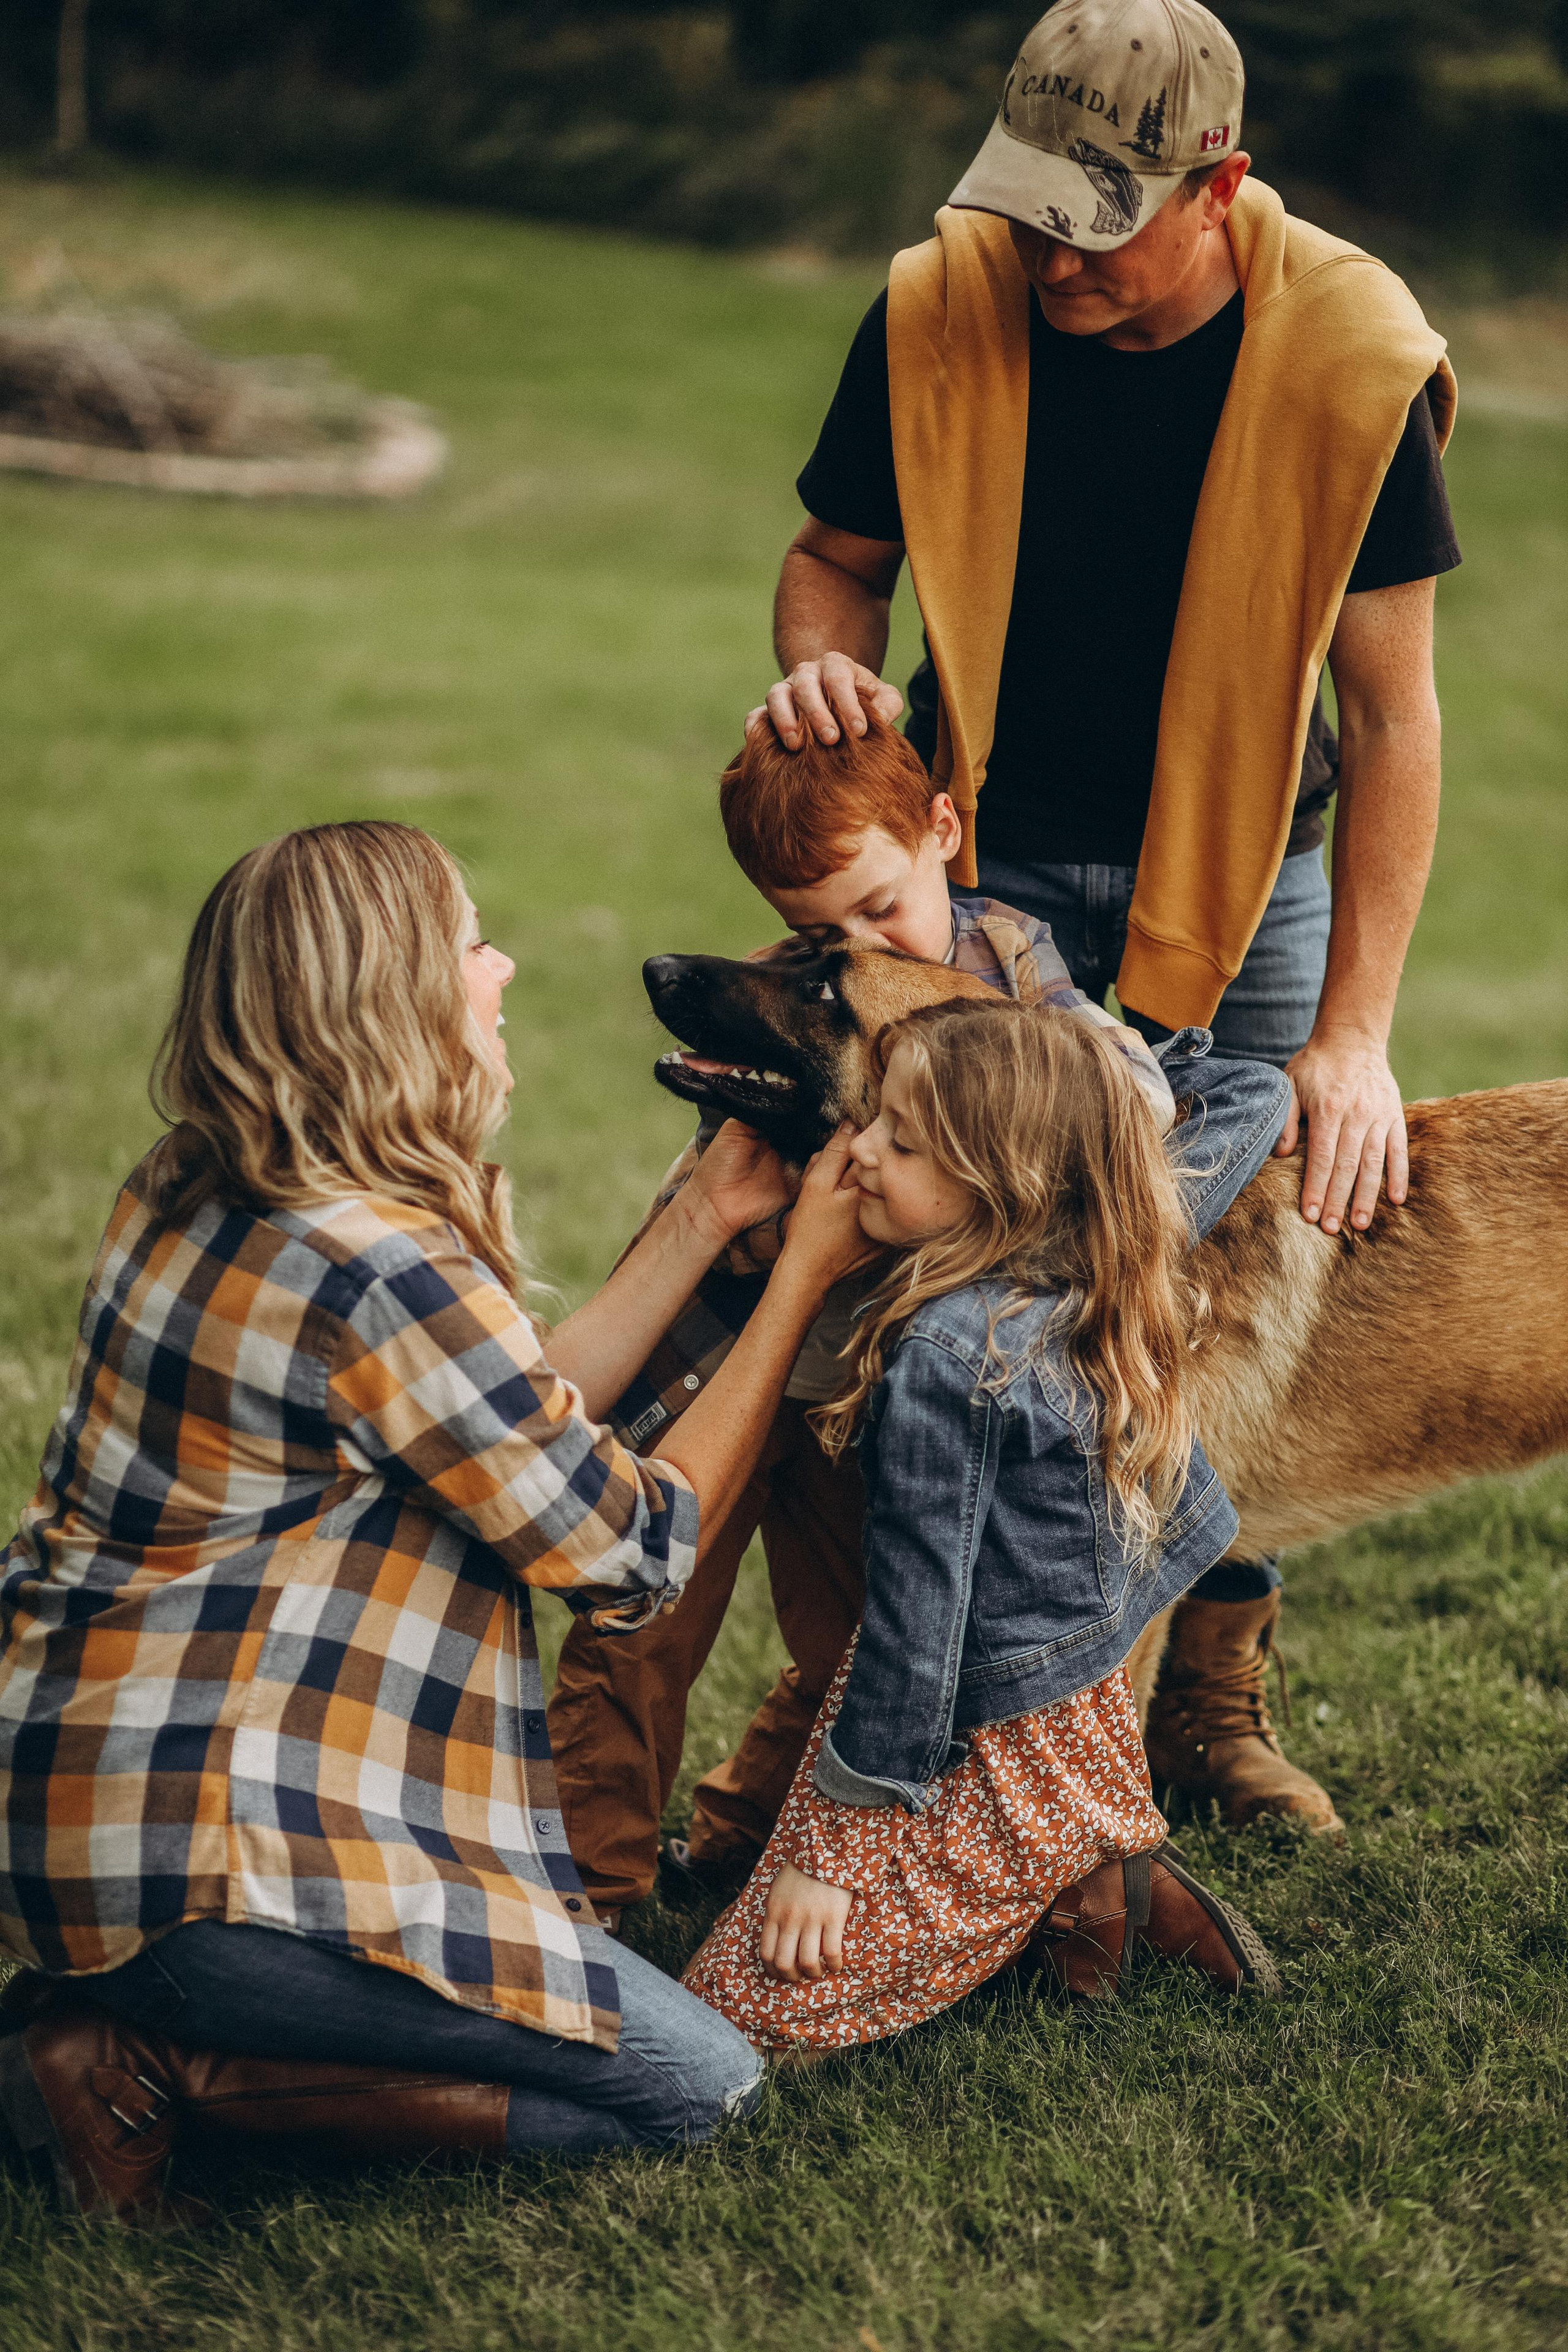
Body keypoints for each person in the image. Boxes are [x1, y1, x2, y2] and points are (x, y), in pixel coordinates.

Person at [749, 0, 1461, 1831]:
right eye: (1029, 205)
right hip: (977, 865)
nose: (1049, 252)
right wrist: (830, 687)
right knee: (942, 1287)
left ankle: (1203, 1715)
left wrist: (1354, 1036)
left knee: (1192, 1298)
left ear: (1217, 188)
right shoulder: (940, 307)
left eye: (1100, 216)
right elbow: (837, 566)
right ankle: (863, 1702)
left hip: (1249, 894)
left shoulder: (1353, 359)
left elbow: (1390, 722)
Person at [0, 820, 870, 2228]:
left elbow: (509, 1414)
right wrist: (797, 1284)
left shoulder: (192, 1181)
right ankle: (146, 2063)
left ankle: (95, 2024)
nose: (504, 964)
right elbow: (631, 1554)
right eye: (471, 942)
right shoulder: (379, 1266)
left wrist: (706, 1214)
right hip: (224, 1866)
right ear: (391, 1001)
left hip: (77, 1813)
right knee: (700, 2089)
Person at [546, 716, 1175, 1921]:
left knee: (854, 1636)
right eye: (815, 933)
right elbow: (727, 1173)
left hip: (867, 1386)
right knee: (641, 1624)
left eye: (880, 910)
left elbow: (1118, 1116)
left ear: (943, 832)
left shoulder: (1023, 996)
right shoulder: (807, 990)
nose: (852, 949)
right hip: (731, 1359)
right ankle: (585, 1899)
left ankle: (741, 1830)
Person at [684, 999, 1285, 2049]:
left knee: (741, 2012)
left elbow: (920, 1631)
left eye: (902, 1141)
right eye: (872, 1118)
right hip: (1089, 1672)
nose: (857, 1149)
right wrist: (1093, 1071)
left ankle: (1075, 1856)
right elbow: (1255, 1090)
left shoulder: (948, 1361)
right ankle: (1100, 1866)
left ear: (1002, 1186)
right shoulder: (1106, 1236)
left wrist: (834, 1859)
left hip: (994, 1724)